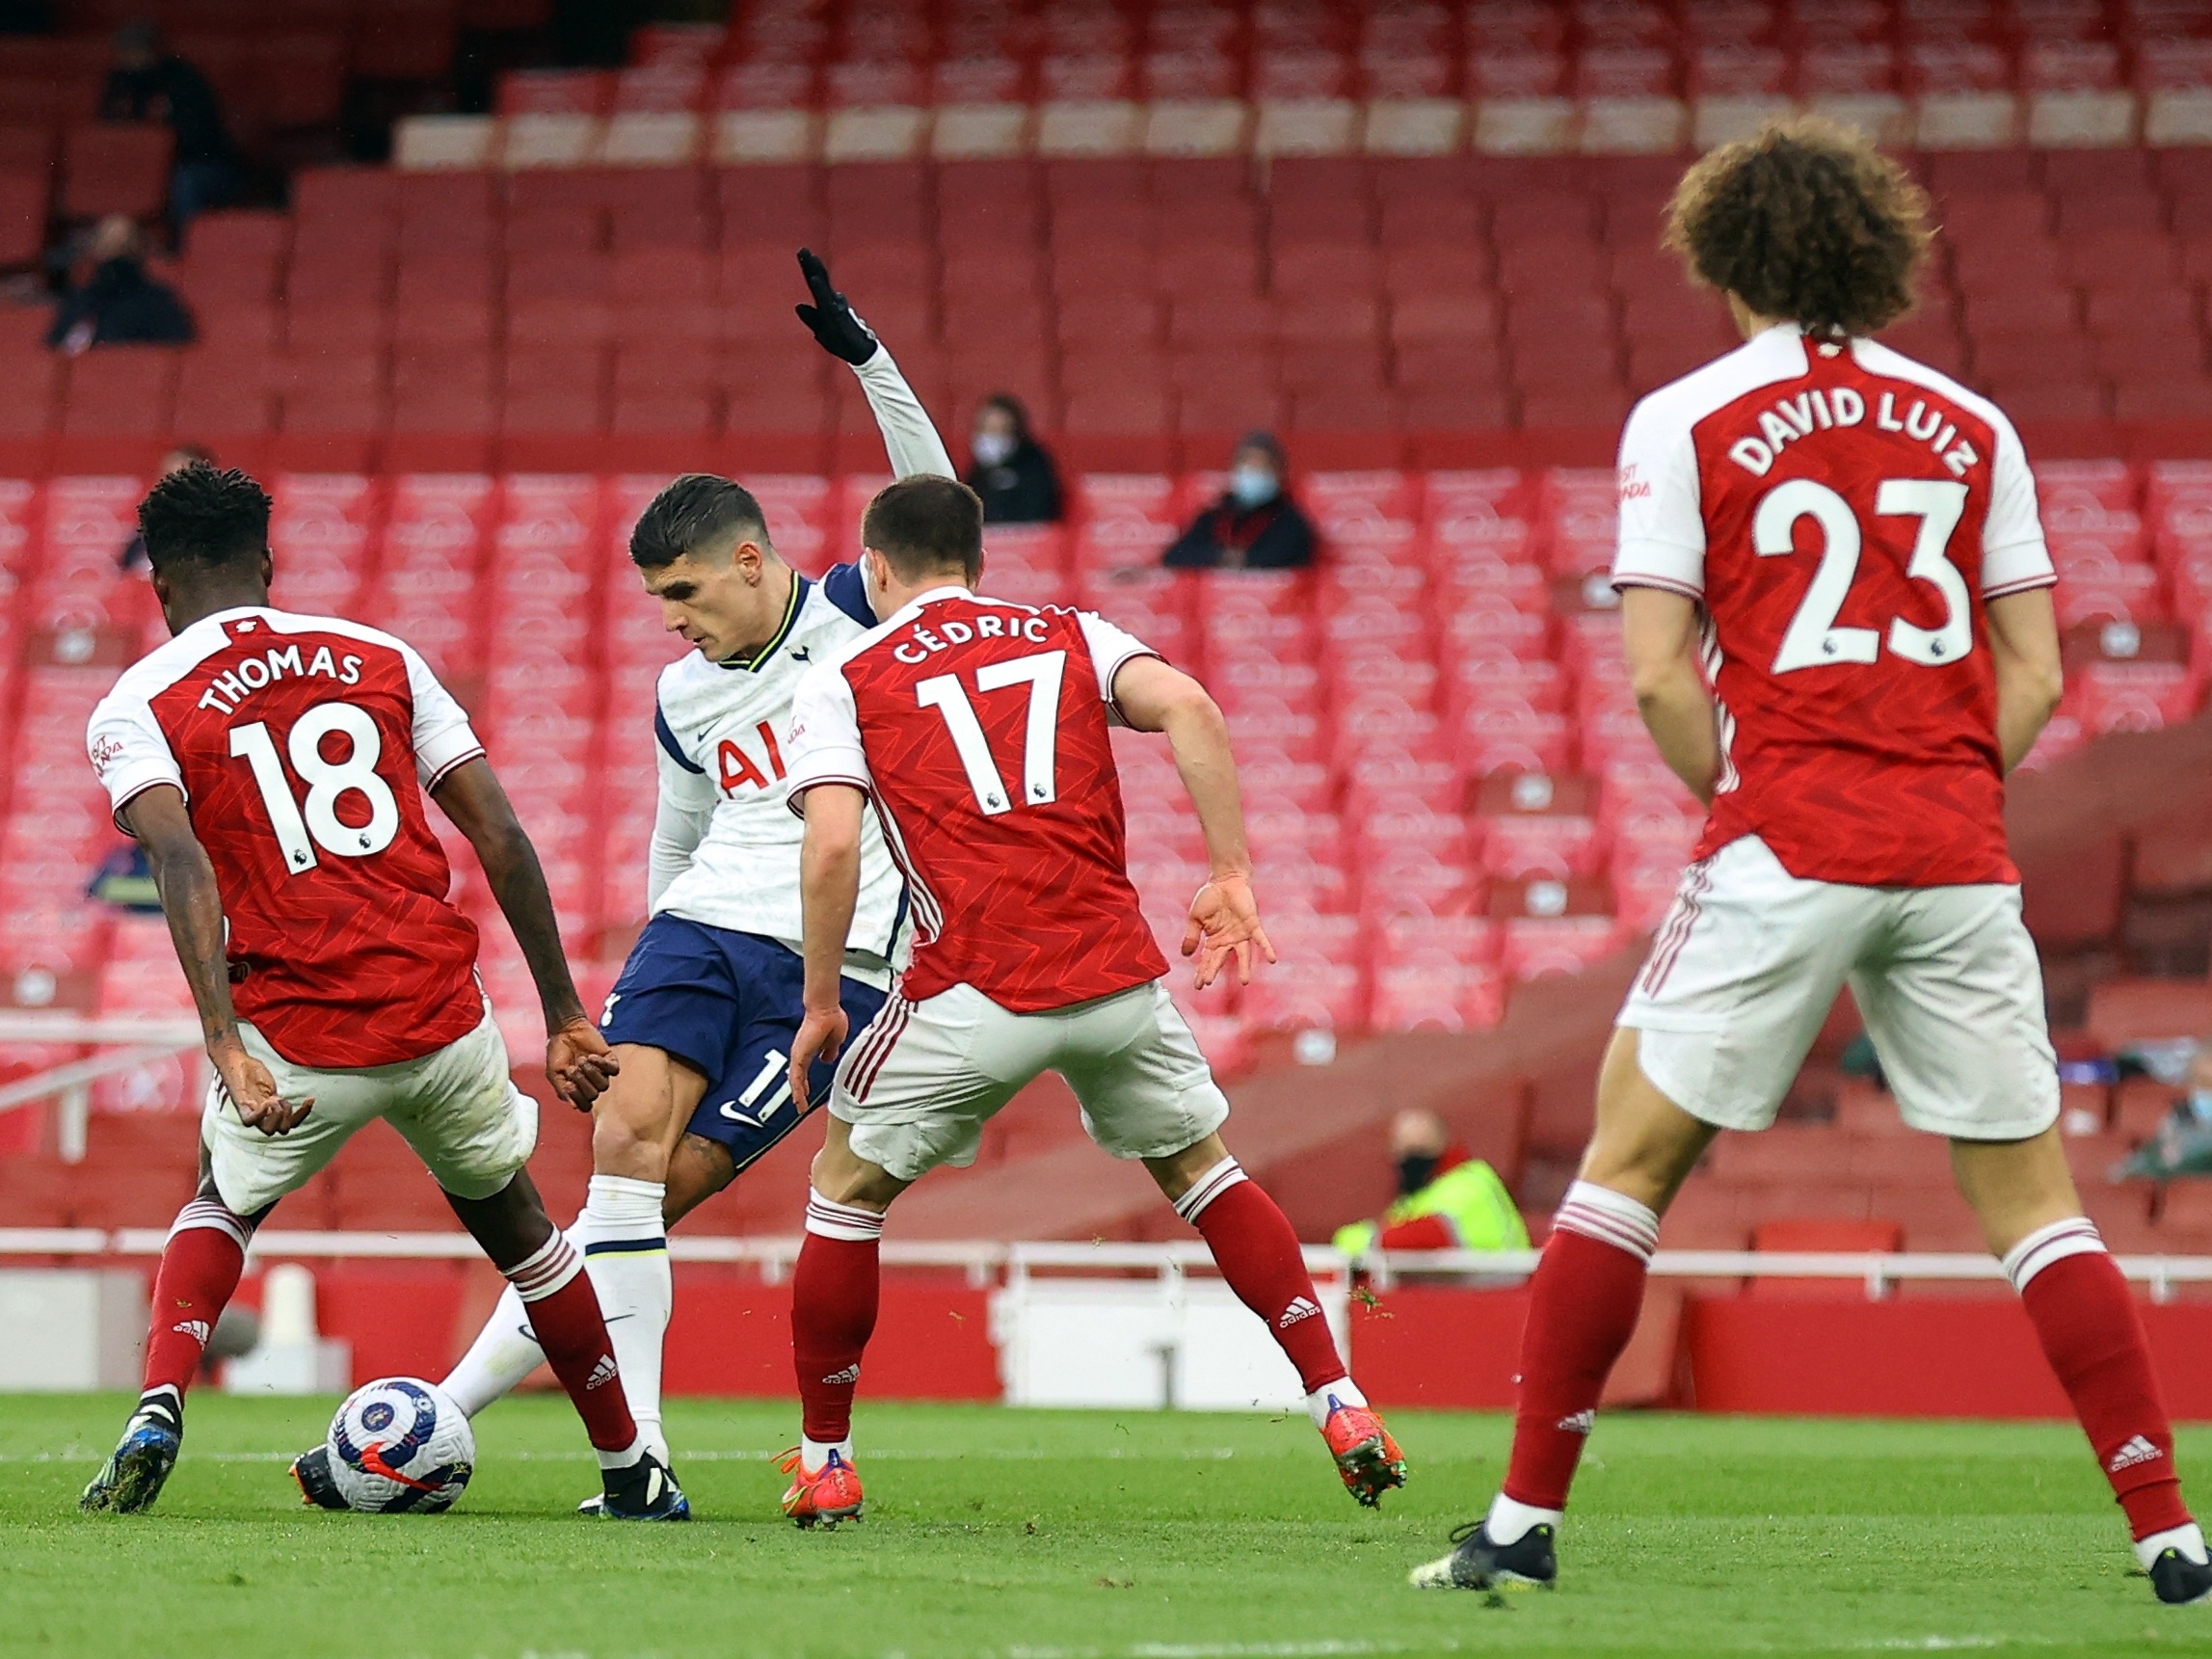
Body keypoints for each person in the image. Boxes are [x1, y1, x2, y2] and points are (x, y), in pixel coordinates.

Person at [1408, 119, 2210, 1608]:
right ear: (1875, 251)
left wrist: (1759, 792)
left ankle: (1519, 1521)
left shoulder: (1686, 416)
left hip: (1785, 834)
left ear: (1720, 256)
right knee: (2036, 1202)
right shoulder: (1972, 424)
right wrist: (1943, 778)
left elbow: (1658, 678)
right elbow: (2027, 665)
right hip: (1953, 846)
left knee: (1625, 1163)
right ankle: (2168, 1533)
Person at [404, 251, 942, 1505]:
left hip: (836, 965)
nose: (673, 619)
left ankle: (444, 1407)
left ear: (753, 560)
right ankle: (634, 1456)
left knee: (663, 1197)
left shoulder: (859, 618)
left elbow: (930, 496)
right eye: (657, 601)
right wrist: (631, 964)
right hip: (698, 933)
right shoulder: (679, 691)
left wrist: (869, 362)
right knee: (621, 1162)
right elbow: (675, 833)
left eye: (686, 592)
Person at [779, 475, 1404, 1529]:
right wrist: (1230, 872)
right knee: (1205, 1172)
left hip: (969, 983)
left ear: (875, 567)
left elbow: (834, 839)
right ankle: (1340, 1401)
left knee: (844, 1191)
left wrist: (818, 1003)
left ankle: (826, 1459)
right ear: (977, 561)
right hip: (1115, 977)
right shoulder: (1071, 629)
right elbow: (1192, 706)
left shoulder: (845, 675)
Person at [75, 464, 685, 1520]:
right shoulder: (382, 656)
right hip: (440, 1014)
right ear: (266, 565)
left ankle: (159, 1403)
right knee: (529, 1236)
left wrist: (223, 1040)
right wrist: (565, 1011)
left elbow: (180, 860)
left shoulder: (138, 700)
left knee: (226, 1197)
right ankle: (632, 1468)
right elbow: (497, 828)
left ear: (162, 587)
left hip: (302, 1031)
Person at [100, 19, 242, 237]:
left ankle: (183, 248)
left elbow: (199, 138)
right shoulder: (118, 82)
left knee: (185, 181)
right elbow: (107, 132)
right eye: (125, 53)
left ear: (154, 51)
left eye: (137, 52)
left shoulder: (185, 81)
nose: (130, 59)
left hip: (201, 166)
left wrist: (158, 148)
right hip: (141, 168)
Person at [1330, 1109, 1529, 1257]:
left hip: (1502, 1294)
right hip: (1458, 1297)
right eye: (1404, 1151)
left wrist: (1351, 1240)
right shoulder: (1415, 1197)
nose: (1412, 1160)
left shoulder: (1470, 1182)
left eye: (1420, 1149)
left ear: (1444, 1145)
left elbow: (1426, 1234)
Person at [1161, 432, 1315, 570]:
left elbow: (1291, 555)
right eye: (1246, 465)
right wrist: (1219, 556)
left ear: (1279, 473)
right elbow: (1175, 555)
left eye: (1261, 467)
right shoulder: (1215, 515)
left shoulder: (1290, 520)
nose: (1253, 472)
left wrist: (1247, 559)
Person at [47, 215, 194, 352]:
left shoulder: (159, 303)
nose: (115, 252)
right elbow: (58, 351)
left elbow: (175, 352)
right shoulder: (80, 303)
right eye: (109, 245)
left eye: (121, 246)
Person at [963, 393, 1061, 524]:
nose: (990, 437)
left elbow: (1041, 507)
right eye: (985, 430)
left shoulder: (1034, 462)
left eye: (998, 430)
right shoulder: (977, 470)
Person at [120, 443, 215, 571]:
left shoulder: (215, 522)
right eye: (164, 476)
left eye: (175, 478)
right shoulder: (151, 523)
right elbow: (127, 564)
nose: (165, 484)